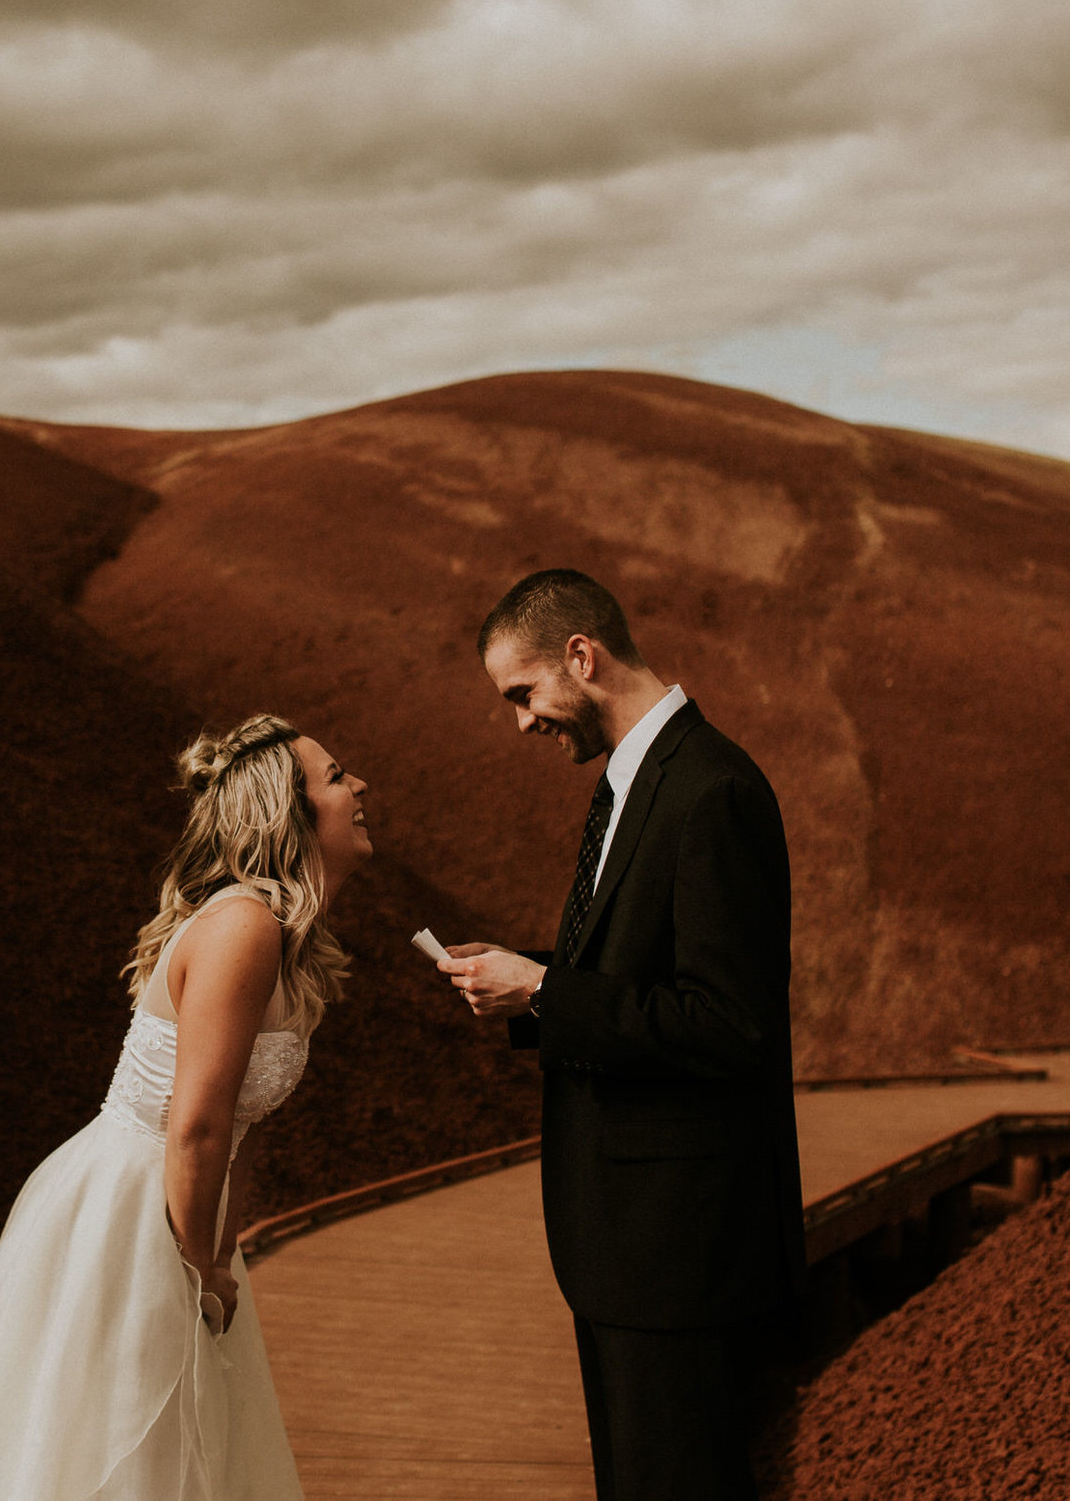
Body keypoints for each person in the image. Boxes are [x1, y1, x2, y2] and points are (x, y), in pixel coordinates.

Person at [0, 713, 371, 1501]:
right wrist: (195, 1271)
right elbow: (195, 1126)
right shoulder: (244, 925)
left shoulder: (288, 940)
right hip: (138, 1211)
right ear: (287, 814)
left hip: (188, 1210)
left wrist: (224, 1262)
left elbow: (240, 1128)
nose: (358, 785)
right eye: (334, 777)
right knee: (120, 1436)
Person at [439, 569, 803, 1501]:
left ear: (580, 655)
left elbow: (730, 1024)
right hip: (626, 1251)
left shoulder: (710, 790)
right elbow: (635, 980)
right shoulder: (634, 781)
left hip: (679, 1256)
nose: (522, 722)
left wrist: (548, 992)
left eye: (523, 694)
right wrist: (524, 985)